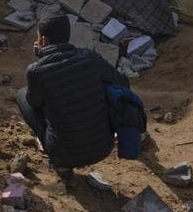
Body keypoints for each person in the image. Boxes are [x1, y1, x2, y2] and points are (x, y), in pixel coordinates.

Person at [16, 12, 130, 185]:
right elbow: (122, 82)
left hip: (64, 152)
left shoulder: (36, 70)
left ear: (44, 41)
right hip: (103, 147)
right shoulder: (89, 57)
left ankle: (61, 166)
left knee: (23, 95)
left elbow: (35, 103)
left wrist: (41, 59)